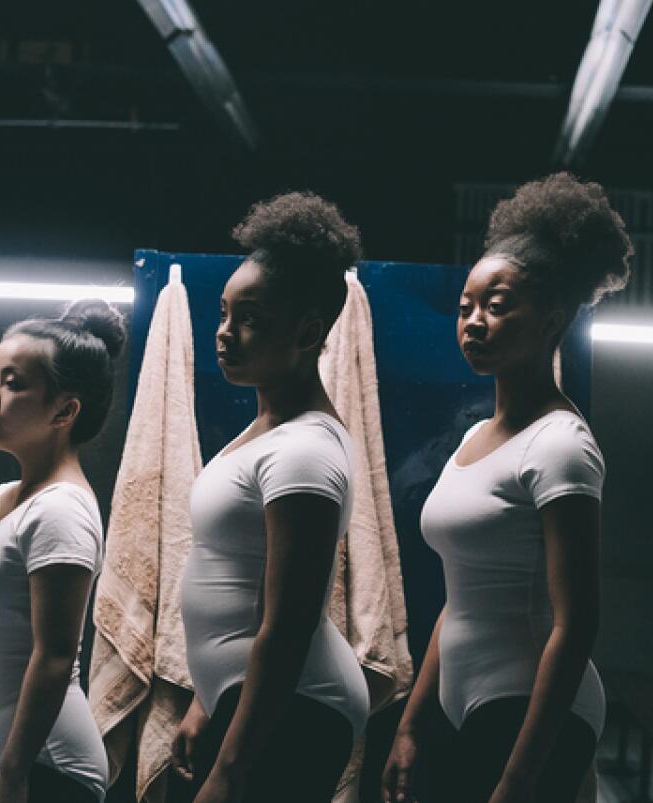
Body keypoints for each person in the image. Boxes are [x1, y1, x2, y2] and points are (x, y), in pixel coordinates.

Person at [382, 172, 633, 803]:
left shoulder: (560, 446)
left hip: (534, 711)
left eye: (497, 306)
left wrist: (522, 776)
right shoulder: (472, 442)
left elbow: (577, 624)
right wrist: (411, 724)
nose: (473, 322)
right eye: (466, 306)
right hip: (460, 700)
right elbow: (460, 597)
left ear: (550, 318)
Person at [170, 192, 370, 803]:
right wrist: (207, 700)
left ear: (308, 332)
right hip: (257, 704)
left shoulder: (304, 451)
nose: (226, 334)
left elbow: (286, 626)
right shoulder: (267, 433)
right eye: (225, 313)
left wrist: (231, 770)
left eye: (250, 318)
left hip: (296, 711)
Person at [0, 300, 123, 803]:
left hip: (48, 768)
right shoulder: (1, 498)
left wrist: (15, 773)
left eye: (14, 383)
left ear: (65, 410)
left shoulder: (61, 511)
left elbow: (55, 654)